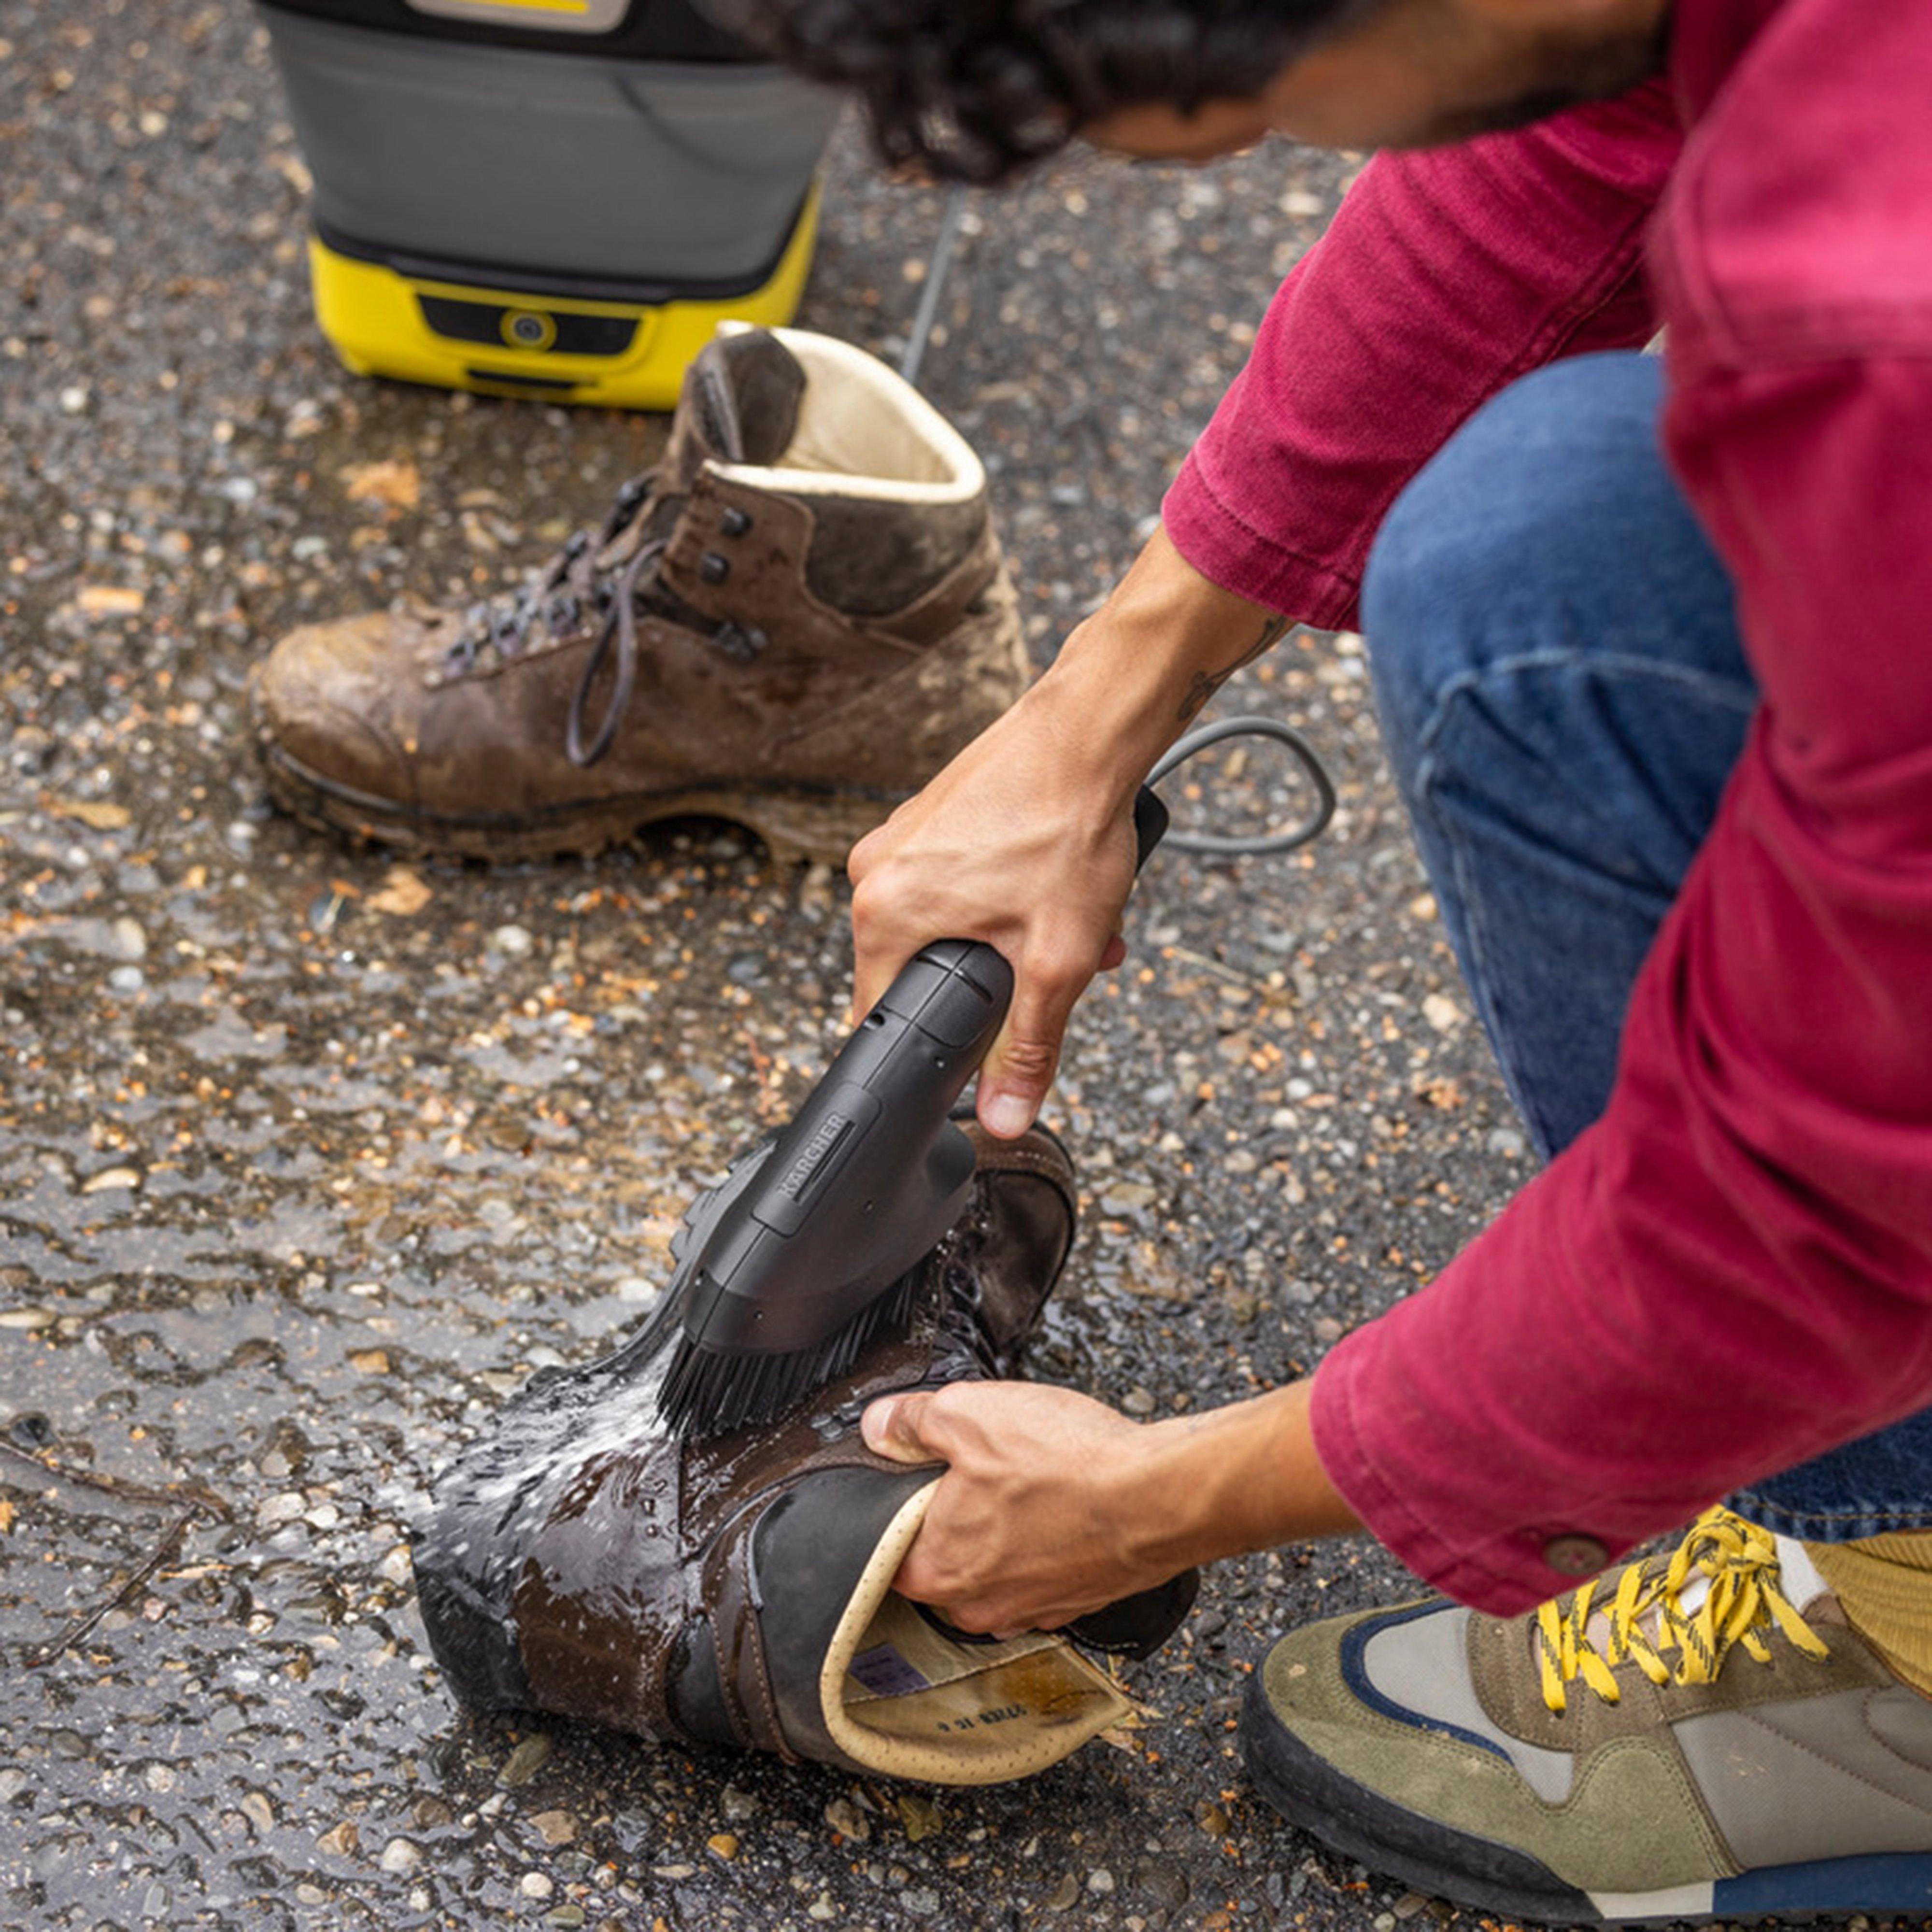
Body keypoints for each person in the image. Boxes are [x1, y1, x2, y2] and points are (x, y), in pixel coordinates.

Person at [707, 0, 1932, 1918]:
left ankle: (1909, 1633)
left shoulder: (1877, 302)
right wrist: (1086, 715)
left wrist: (1160, 1497)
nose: (1242, 160)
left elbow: (1813, 1202)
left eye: (1238, 120)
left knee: (1551, 626)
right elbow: (1573, 141)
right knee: (1546, 544)